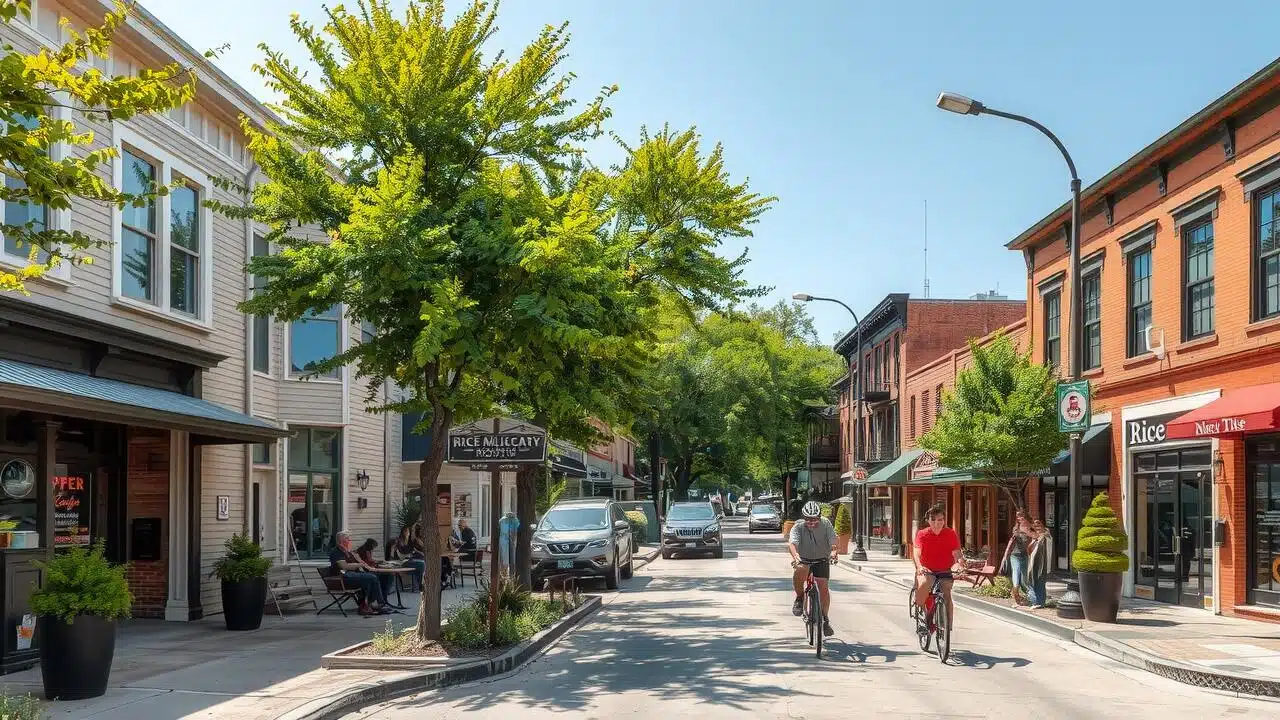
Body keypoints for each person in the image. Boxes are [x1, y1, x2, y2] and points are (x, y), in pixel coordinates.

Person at [787, 500, 838, 638]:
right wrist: (796, 556)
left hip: (821, 559)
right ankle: (799, 597)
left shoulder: (826, 524)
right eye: (808, 519)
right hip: (804, 559)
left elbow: (833, 540)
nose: (811, 522)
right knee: (800, 571)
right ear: (804, 518)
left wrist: (834, 552)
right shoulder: (797, 527)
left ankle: (825, 619)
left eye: (815, 519)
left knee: (823, 588)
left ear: (819, 517)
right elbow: (792, 544)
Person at [913, 503, 962, 632]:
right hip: (927, 570)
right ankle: (921, 610)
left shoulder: (950, 534)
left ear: (944, 520)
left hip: (944, 570)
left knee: (947, 596)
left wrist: (958, 563)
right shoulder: (922, 534)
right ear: (928, 521)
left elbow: (956, 553)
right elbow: (916, 552)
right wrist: (920, 566)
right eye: (933, 520)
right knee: (924, 584)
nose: (936, 523)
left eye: (940, 519)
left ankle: (946, 627)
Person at [329, 532, 392, 616]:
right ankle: (378, 603)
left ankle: (368, 603)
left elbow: (360, 562)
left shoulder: (347, 552)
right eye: (348, 539)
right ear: (342, 540)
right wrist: (359, 564)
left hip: (351, 574)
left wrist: (358, 559)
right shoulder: (336, 552)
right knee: (371, 577)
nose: (350, 541)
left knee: (380, 576)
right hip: (344, 577)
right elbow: (344, 566)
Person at [999, 510, 1034, 607]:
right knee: (1016, 572)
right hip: (1015, 555)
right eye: (1017, 516)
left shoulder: (1030, 527)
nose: (1019, 518)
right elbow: (1018, 537)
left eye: (1021, 516)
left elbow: (1034, 535)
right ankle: (1016, 592)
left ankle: (1028, 596)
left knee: (1024, 577)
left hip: (1025, 555)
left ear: (1025, 516)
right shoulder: (1016, 528)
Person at [356, 538, 398, 602]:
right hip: (366, 571)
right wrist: (379, 565)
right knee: (383, 576)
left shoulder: (367, 551)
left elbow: (370, 560)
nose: (373, 549)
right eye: (374, 547)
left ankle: (384, 597)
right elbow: (367, 563)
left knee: (389, 575)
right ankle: (381, 599)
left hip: (371, 569)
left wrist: (378, 562)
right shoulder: (363, 551)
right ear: (371, 545)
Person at [390, 526, 429, 592]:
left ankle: (421, 585)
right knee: (422, 564)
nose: (408, 533)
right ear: (403, 532)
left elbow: (414, 550)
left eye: (408, 531)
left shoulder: (409, 542)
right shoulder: (399, 541)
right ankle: (421, 585)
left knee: (421, 565)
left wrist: (421, 553)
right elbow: (398, 553)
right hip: (403, 561)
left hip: (410, 560)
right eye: (407, 531)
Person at [1025, 519, 1053, 609]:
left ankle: (1039, 603)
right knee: (1032, 582)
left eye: (1039, 524)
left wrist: (1043, 533)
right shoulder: (1034, 539)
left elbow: (1048, 541)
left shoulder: (1046, 538)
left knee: (1039, 583)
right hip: (1033, 565)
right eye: (1035, 525)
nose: (1037, 526)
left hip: (1041, 565)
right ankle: (1036, 602)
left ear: (1043, 526)